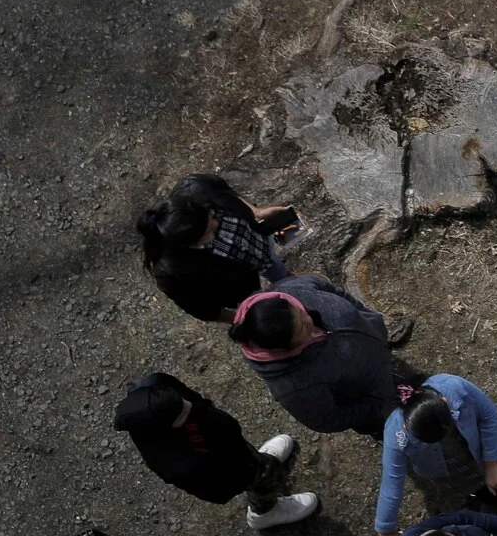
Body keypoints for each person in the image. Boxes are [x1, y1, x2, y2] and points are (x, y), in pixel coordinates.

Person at [114, 372, 320, 531]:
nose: (190, 407)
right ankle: (264, 512)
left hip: (225, 443)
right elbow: (214, 487)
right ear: (164, 430)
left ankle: (260, 460)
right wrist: (247, 473)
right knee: (260, 478)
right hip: (226, 467)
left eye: (183, 402)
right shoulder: (180, 464)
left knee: (255, 460)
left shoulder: (152, 384)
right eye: (182, 415)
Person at [371, 374, 497, 536]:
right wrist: (385, 528)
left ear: (444, 400)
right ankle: (492, 492)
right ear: (408, 427)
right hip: (454, 470)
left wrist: (492, 464)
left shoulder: (453, 387)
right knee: (496, 494)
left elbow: (488, 415)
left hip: (478, 442)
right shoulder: (395, 435)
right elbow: (391, 482)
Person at [228, 277, 398, 436]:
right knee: (382, 426)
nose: (310, 321)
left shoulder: (291, 290)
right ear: (281, 349)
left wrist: (368, 317)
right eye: (302, 328)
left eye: (301, 312)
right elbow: (328, 420)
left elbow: (330, 289)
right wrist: (375, 402)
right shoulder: (294, 387)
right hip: (370, 404)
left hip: (377, 359)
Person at [136, 173, 298, 321]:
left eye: (213, 216)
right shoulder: (172, 273)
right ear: (187, 244)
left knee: (274, 266)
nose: (216, 223)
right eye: (209, 231)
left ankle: (283, 277)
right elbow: (204, 310)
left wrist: (256, 213)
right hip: (244, 284)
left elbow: (224, 191)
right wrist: (241, 320)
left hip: (258, 243)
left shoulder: (196, 187)